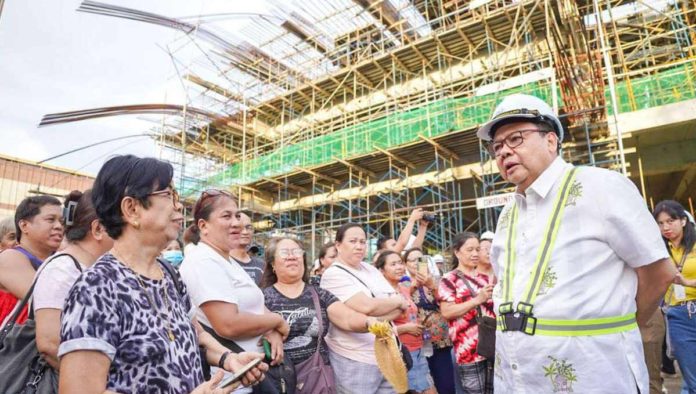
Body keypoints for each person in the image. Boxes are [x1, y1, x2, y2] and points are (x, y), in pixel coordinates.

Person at [478, 94, 675, 392]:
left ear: (551, 141)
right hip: (520, 377)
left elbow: (659, 271)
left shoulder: (601, 186)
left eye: (515, 138)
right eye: (497, 146)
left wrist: (615, 327)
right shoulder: (508, 213)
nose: (504, 151)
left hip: (591, 374)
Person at [58, 155, 266, 394]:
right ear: (132, 208)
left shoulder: (169, 274)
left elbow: (195, 334)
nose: (178, 206)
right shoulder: (96, 288)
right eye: (168, 195)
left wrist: (229, 359)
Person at [179, 189, 288, 393]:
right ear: (203, 226)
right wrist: (277, 321)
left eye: (237, 215)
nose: (237, 223)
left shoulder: (227, 260)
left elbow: (256, 306)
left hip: (251, 373)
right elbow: (228, 324)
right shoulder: (203, 261)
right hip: (229, 382)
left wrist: (271, 329)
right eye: (226, 216)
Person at [261, 237, 378, 392]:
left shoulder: (319, 294)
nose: (292, 256)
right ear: (273, 264)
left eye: (296, 252)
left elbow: (348, 318)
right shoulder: (261, 297)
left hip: (316, 379)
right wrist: (268, 330)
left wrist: (369, 322)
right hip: (278, 379)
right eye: (284, 253)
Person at [320, 223, 409, 393]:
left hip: (387, 354)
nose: (359, 246)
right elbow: (367, 305)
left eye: (362, 242)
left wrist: (383, 308)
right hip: (355, 359)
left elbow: (397, 310)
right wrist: (397, 301)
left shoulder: (369, 269)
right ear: (338, 245)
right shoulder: (333, 274)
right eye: (353, 241)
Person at [33, 190, 114, 371]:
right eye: (120, 227)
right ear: (98, 229)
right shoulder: (62, 270)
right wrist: (94, 382)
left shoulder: (95, 266)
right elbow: (49, 343)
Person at [437, 232, 494, 393]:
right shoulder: (449, 279)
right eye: (469, 250)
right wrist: (476, 300)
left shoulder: (484, 279)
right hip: (468, 351)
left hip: (491, 348)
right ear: (457, 252)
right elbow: (447, 312)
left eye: (477, 249)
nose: (475, 254)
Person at [377, 250, 436, 394]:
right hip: (402, 354)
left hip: (418, 350)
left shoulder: (404, 289)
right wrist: (404, 329)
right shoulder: (380, 294)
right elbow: (376, 327)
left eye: (400, 263)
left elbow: (421, 282)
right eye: (393, 264)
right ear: (381, 270)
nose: (399, 267)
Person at [653, 200, 696, 393]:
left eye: (671, 221)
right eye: (661, 223)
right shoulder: (658, 250)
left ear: (684, 221)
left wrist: (688, 283)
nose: (666, 227)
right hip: (678, 315)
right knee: (692, 377)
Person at [0, 195, 63, 325]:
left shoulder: (59, 260)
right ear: (24, 225)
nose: (59, 226)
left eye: (62, 221)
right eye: (51, 219)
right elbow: (46, 300)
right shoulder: (10, 257)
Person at [403, 248, 456, 394]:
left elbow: (448, 302)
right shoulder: (402, 284)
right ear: (405, 264)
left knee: (446, 384)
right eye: (412, 260)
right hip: (416, 345)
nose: (416, 263)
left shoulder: (438, 280)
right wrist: (413, 287)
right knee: (424, 386)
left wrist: (432, 285)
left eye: (420, 259)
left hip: (441, 342)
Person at [229, 212, 265, 286]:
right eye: (239, 228)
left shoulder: (261, 265)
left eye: (248, 227)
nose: (245, 232)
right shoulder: (221, 262)